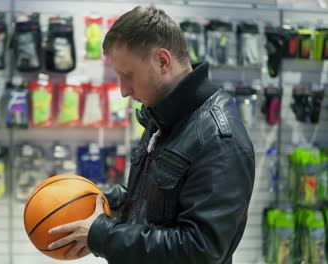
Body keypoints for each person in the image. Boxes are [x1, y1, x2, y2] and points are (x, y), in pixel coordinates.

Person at [48, 6, 255, 264]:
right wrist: (97, 200)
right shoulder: (163, 116)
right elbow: (155, 202)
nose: (123, 91)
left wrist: (103, 235)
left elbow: (200, 249)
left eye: (127, 75)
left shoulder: (220, 138)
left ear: (162, 61)